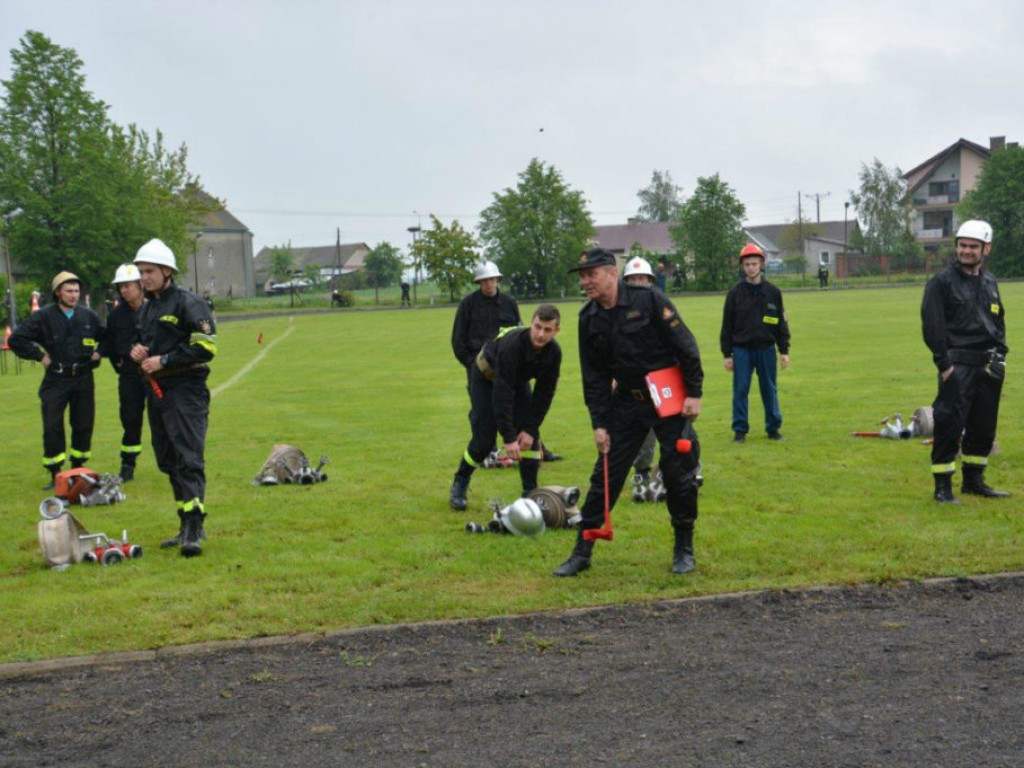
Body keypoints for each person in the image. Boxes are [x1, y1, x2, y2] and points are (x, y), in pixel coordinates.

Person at [553, 248, 703, 577]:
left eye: (590, 274)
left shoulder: (648, 299)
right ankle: (583, 551)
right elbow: (593, 377)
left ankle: (684, 547)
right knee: (604, 476)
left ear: (610, 272)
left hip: (667, 396)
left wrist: (694, 392)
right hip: (627, 402)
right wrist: (599, 424)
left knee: (678, 474)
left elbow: (685, 344)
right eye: (582, 276)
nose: (584, 281)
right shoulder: (588, 317)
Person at [130, 238, 217, 557]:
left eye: (149, 271)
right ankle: (184, 523)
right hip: (157, 391)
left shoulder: (189, 303)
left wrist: (164, 360)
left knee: (188, 457)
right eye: (141, 272)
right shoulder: (147, 308)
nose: (144, 277)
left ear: (167, 271)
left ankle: (195, 527)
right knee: (167, 460)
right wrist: (138, 352)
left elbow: (207, 347)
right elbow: (144, 343)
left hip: (186, 389)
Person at [921, 219, 1009, 503]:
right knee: (949, 424)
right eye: (962, 245)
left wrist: (1000, 356)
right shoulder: (941, 283)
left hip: (988, 366)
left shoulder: (990, 281)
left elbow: (998, 320)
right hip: (957, 365)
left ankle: (974, 480)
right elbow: (932, 325)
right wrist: (944, 365)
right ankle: (942, 487)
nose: (966, 251)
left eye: (973, 246)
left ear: (987, 248)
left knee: (983, 426)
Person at [448, 304, 562, 510]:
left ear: (556, 331)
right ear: (531, 323)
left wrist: (530, 429)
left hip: (516, 381)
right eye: (537, 327)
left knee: (530, 439)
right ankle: (460, 482)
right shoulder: (513, 346)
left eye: (547, 330)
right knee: (484, 440)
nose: (540, 334)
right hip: (486, 376)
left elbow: (544, 394)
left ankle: (530, 494)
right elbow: (502, 394)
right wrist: (509, 438)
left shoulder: (554, 353)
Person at [9, 271, 105, 489]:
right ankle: (55, 473)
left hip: (83, 378)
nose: (73, 295)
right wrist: (40, 356)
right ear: (57, 292)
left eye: (77, 291)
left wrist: (100, 352)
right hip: (56, 379)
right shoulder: (43, 317)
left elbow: (107, 337)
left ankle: (78, 468)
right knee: (52, 426)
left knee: (83, 424)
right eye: (68, 291)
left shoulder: (88, 316)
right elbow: (16, 339)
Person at [720, 242, 791, 443]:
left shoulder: (773, 293)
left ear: (761, 264)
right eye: (747, 264)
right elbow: (727, 325)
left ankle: (773, 428)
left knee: (769, 389)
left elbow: (780, 323)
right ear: (742, 267)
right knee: (740, 390)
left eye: (754, 263)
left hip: (766, 350)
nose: (751, 267)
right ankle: (740, 431)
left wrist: (783, 350)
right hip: (741, 350)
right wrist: (727, 354)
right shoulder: (734, 293)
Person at [102, 264, 149, 482]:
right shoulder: (116, 316)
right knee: (130, 419)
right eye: (121, 286)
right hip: (130, 374)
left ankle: (175, 462)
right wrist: (121, 367)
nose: (124, 290)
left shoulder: (156, 308)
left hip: (157, 371)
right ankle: (128, 465)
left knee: (165, 419)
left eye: (128, 285)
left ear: (140, 285)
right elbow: (111, 347)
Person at [622, 257, 660, 500]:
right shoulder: (618, 309)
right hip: (632, 378)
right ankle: (641, 471)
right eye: (632, 279)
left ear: (649, 281)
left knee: (675, 426)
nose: (637, 283)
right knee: (638, 426)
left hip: (660, 376)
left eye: (641, 279)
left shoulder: (660, 305)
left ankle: (678, 469)